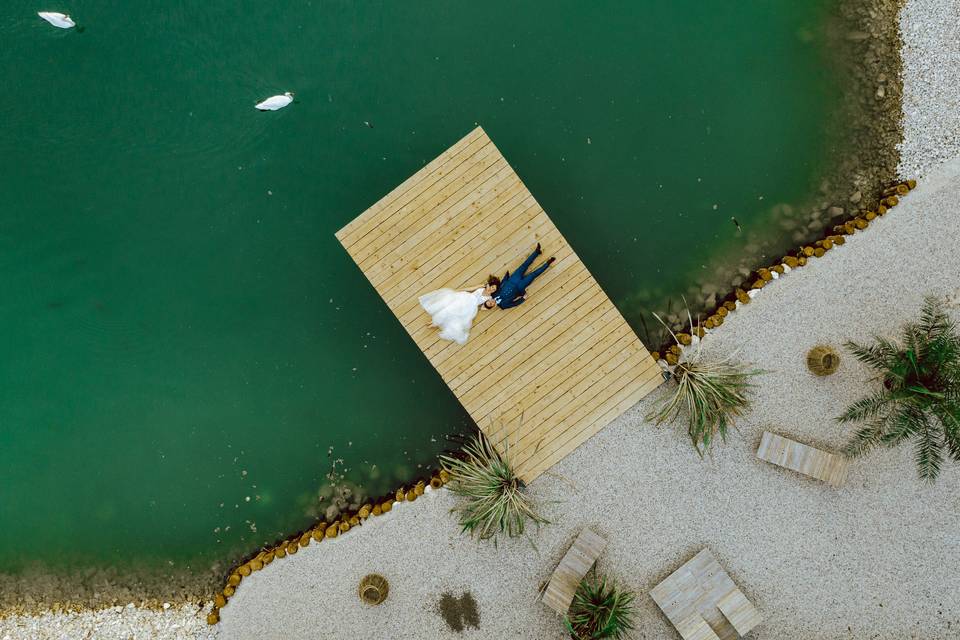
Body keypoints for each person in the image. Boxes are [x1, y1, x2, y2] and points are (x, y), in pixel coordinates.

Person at [418, 276, 500, 345]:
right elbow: (470, 289)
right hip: (464, 299)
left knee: (455, 317)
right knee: (448, 309)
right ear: (489, 285)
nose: (491, 290)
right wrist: (458, 290)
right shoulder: (481, 288)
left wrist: (492, 306)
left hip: (470, 307)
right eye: (491, 287)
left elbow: (482, 308)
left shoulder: (489, 298)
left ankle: (434, 323)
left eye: (493, 290)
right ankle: (434, 322)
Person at [492, 243, 555, 309]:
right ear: (493, 306)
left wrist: (506, 277)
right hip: (520, 287)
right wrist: (523, 299)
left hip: (512, 279)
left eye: (490, 301)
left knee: (524, 265)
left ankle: (536, 252)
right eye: (491, 304)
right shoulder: (503, 305)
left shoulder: (493, 294)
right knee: (533, 275)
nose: (492, 302)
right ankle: (548, 263)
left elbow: (500, 285)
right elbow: (514, 304)